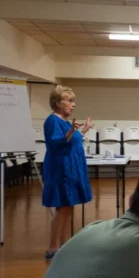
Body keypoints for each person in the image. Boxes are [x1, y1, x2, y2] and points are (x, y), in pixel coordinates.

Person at [42, 85, 93, 261]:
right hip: (61, 170)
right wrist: (71, 131)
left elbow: (73, 142)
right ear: (57, 103)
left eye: (74, 101)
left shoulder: (64, 121)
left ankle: (64, 245)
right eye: (70, 101)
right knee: (62, 207)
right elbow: (56, 143)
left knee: (68, 206)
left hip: (71, 168)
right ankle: (53, 248)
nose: (73, 105)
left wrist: (83, 130)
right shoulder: (52, 121)